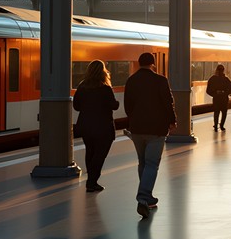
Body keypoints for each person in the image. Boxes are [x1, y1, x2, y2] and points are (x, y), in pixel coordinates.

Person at [124, 52, 176, 219]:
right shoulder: (160, 80)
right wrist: (172, 120)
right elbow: (168, 102)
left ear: (139, 63)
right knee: (152, 163)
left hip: (137, 128)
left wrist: (133, 120)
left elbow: (127, 105)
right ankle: (144, 197)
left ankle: (148, 197)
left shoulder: (131, 80)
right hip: (156, 128)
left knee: (143, 162)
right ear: (153, 63)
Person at [72, 59, 119, 192]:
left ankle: (91, 181)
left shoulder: (82, 86)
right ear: (103, 72)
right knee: (100, 154)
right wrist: (116, 104)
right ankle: (92, 182)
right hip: (103, 127)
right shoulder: (105, 88)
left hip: (86, 126)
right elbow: (113, 105)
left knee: (90, 152)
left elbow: (76, 106)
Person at [205, 64, 231, 131]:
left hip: (216, 98)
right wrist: (225, 93)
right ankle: (221, 125)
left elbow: (208, 90)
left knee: (216, 112)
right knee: (224, 113)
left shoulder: (212, 79)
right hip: (224, 98)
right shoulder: (226, 79)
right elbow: (230, 89)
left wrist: (214, 94)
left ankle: (216, 125)